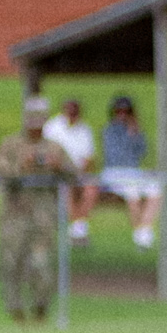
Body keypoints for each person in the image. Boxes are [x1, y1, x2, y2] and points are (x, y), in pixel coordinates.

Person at [0, 96, 80, 321]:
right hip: (15, 215)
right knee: (12, 263)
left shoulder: (54, 148)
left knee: (40, 263)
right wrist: (22, 166)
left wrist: (58, 166)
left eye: (39, 119)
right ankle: (15, 309)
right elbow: (0, 174)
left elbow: (75, 175)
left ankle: (41, 306)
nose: (35, 124)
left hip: (43, 216)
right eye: (32, 119)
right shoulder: (10, 145)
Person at [99, 94, 161, 249]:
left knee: (156, 187)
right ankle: (140, 235)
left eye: (126, 112)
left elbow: (141, 152)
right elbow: (115, 157)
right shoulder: (108, 131)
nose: (122, 115)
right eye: (119, 111)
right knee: (132, 191)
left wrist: (135, 134)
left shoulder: (135, 130)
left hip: (133, 172)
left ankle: (144, 229)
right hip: (114, 173)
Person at [40, 97, 99, 244]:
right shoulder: (52, 127)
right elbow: (47, 155)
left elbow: (88, 158)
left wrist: (81, 172)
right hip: (58, 173)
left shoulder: (85, 129)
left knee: (91, 188)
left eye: (75, 112)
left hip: (79, 173)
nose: (73, 115)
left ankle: (78, 228)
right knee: (67, 187)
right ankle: (78, 231)